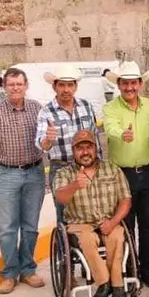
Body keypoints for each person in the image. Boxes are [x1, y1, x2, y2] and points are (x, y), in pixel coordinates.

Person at [0, 67, 46, 295]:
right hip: (5, 174)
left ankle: (28, 269)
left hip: (34, 172)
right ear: (4, 87)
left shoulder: (37, 108)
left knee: (31, 226)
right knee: (7, 227)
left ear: (26, 86)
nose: (15, 88)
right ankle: (9, 273)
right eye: (11, 84)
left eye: (19, 84)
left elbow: (46, 137)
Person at [52, 130, 131, 297]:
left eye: (89, 147)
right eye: (80, 149)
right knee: (87, 239)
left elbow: (126, 199)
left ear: (96, 149)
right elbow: (61, 198)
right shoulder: (64, 174)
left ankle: (118, 286)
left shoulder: (111, 168)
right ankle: (104, 283)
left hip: (108, 220)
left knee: (117, 236)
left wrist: (113, 222)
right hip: (79, 223)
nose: (85, 152)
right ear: (73, 151)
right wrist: (75, 185)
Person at [102, 61, 149, 289]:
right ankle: (129, 269)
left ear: (140, 84)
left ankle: (146, 270)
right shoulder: (111, 108)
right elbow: (110, 128)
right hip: (121, 176)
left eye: (133, 83)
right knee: (126, 225)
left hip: (147, 172)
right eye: (125, 83)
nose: (129, 87)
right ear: (119, 85)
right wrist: (121, 134)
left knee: (148, 224)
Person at [35, 65, 103, 220]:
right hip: (61, 169)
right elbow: (41, 144)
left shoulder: (86, 106)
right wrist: (48, 139)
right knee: (64, 216)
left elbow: (95, 139)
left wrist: (99, 166)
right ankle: (65, 243)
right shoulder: (46, 112)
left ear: (75, 87)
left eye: (70, 85)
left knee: (92, 213)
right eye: (62, 85)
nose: (66, 89)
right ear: (54, 86)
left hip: (88, 167)